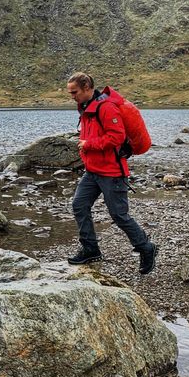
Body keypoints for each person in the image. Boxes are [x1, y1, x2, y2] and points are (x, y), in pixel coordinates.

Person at [65, 72, 158, 274]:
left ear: (87, 87)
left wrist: (89, 144)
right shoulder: (85, 107)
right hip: (92, 171)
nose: (72, 96)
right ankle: (90, 249)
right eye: (70, 93)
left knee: (119, 215)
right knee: (79, 205)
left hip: (112, 172)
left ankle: (146, 248)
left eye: (75, 92)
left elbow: (116, 137)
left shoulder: (106, 108)